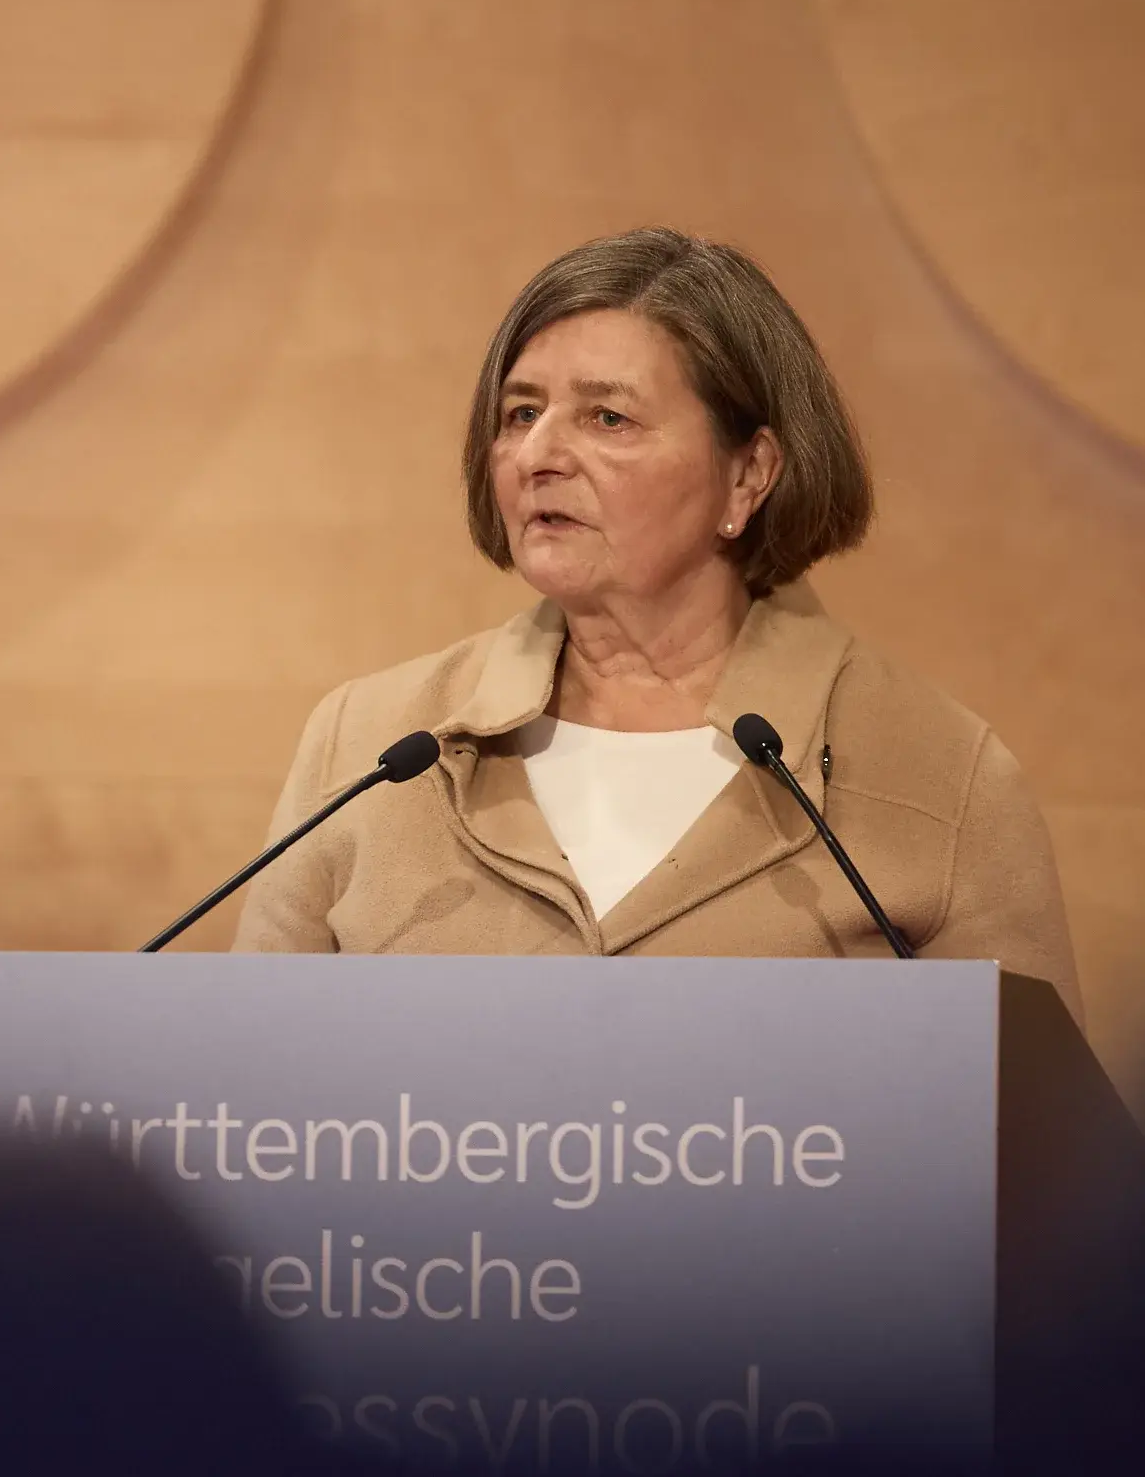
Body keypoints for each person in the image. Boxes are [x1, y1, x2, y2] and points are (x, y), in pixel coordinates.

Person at [231, 228, 1081, 1015]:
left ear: (748, 474)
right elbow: (245, 1097)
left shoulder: (940, 775)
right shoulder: (368, 744)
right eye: (520, 413)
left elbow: (1036, 1154)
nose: (536, 455)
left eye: (607, 417)